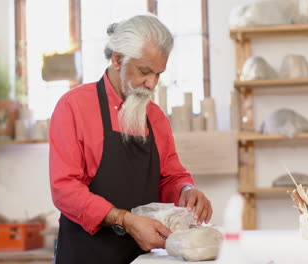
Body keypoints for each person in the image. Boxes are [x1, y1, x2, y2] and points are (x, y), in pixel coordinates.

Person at [49, 14, 212, 264]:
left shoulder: (156, 117)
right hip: (85, 254)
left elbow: (170, 176)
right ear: (117, 59)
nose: (151, 84)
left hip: (143, 258)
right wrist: (125, 220)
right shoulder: (73, 107)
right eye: (145, 71)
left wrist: (186, 190)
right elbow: (65, 189)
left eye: (159, 74)